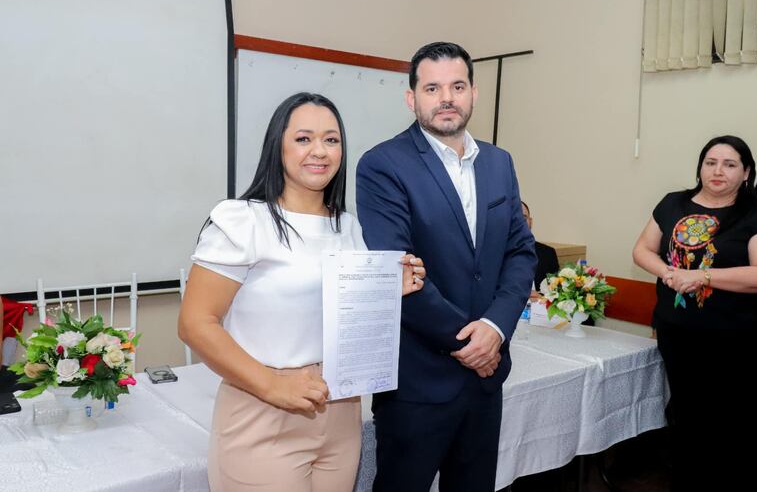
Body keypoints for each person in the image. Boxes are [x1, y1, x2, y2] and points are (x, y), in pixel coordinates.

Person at [178, 92, 425, 492]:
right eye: (304, 138)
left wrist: (386, 291)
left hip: (341, 410)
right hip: (263, 407)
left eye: (331, 140)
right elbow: (195, 324)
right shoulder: (242, 221)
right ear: (278, 145)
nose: (320, 151)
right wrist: (273, 385)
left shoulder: (349, 227)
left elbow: (343, 315)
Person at [356, 42, 537, 492]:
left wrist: (494, 329)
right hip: (418, 383)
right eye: (432, 87)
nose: (446, 98)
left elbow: (520, 253)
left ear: (474, 93)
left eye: (457, 86)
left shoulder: (499, 163)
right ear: (411, 97)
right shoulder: (382, 165)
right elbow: (399, 271)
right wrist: (469, 342)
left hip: (486, 378)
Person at [632, 135, 757, 490]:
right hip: (677, 334)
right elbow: (643, 250)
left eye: (729, 164)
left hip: (734, 340)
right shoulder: (673, 203)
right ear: (700, 167)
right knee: (687, 417)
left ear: (746, 172)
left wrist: (703, 276)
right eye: (711, 162)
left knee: (728, 423)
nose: (718, 171)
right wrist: (669, 273)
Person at [521, 201, 559, 292]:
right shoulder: (496, 254)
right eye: (515, 219)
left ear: (530, 222)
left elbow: (555, 291)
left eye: (523, 218)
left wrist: (541, 298)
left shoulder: (548, 253)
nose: (520, 223)